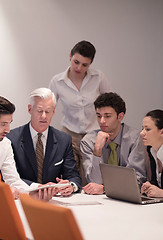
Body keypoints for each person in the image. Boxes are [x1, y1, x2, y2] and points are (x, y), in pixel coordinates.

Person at [49, 40, 111, 186]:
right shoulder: (57, 81)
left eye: (85, 65)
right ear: (70, 56)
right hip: (69, 133)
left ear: (90, 64)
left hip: (94, 133)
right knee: (72, 174)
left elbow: (110, 103)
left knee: (94, 174)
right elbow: (49, 106)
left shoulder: (98, 77)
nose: (79, 67)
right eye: (76, 62)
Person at [7, 88, 82, 197]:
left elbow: (73, 175)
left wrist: (71, 185)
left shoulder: (63, 140)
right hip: (23, 198)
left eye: (48, 111)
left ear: (53, 111)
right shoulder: (12, 138)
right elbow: (10, 177)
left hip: (54, 200)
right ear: (29, 109)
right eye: (39, 111)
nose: (44, 116)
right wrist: (39, 187)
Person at [80, 92, 146, 195]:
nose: (102, 121)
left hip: (127, 198)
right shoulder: (88, 141)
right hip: (98, 200)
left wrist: (105, 189)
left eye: (107, 116)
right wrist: (97, 149)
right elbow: (94, 181)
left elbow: (136, 182)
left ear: (120, 116)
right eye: (98, 116)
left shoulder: (135, 139)